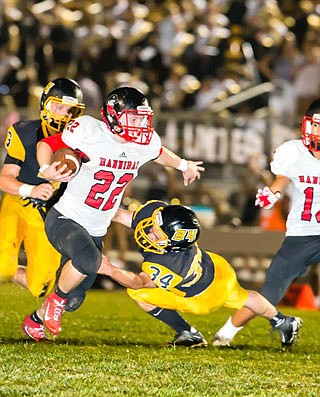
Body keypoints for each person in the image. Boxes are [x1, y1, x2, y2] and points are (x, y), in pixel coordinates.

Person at [23, 86, 204, 341]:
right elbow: (47, 143)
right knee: (88, 261)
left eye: (143, 118)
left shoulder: (142, 144)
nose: (140, 125)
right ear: (112, 116)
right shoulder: (88, 131)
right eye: (134, 118)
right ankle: (54, 300)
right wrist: (45, 169)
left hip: (97, 228)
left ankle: (35, 320)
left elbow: (159, 153)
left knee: (74, 299)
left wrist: (184, 165)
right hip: (67, 217)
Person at [97, 200, 302, 348]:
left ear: (172, 244)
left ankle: (188, 333)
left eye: (156, 233)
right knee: (243, 296)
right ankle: (282, 321)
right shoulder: (159, 217)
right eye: (153, 226)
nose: (149, 231)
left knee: (139, 295)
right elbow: (120, 215)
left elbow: (138, 282)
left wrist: (109, 269)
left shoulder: (169, 263)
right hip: (218, 270)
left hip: (201, 298)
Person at [213, 98, 320, 346]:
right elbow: (282, 178)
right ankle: (226, 334)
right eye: (317, 125)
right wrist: (273, 192)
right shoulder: (294, 152)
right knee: (272, 289)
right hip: (303, 233)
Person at [0, 78, 85, 340]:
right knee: (2, 266)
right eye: (59, 107)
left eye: (70, 110)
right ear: (45, 105)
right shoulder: (25, 131)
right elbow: (4, 178)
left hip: (47, 214)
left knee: (41, 285)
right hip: (18, 202)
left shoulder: (79, 140)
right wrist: (30, 189)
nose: (64, 114)